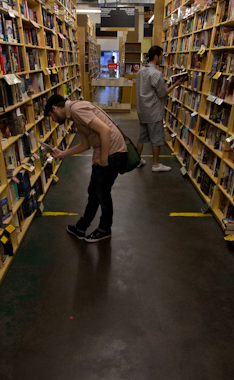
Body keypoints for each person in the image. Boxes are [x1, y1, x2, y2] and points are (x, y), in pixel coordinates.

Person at [44, 94, 127, 243]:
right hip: (105, 153)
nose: (54, 120)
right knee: (94, 192)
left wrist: (103, 160)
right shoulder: (74, 116)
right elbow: (85, 144)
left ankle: (104, 229)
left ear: (55, 108)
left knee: (102, 194)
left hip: (111, 154)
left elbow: (105, 131)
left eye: (52, 116)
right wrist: (62, 153)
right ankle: (81, 227)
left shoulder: (76, 110)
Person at [136, 44, 185, 172]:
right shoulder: (156, 73)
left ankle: (137, 160)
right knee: (156, 139)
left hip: (142, 110)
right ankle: (156, 164)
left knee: (141, 137)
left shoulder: (141, 71)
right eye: (161, 56)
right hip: (153, 111)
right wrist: (174, 85)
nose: (162, 59)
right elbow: (162, 93)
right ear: (156, 57)